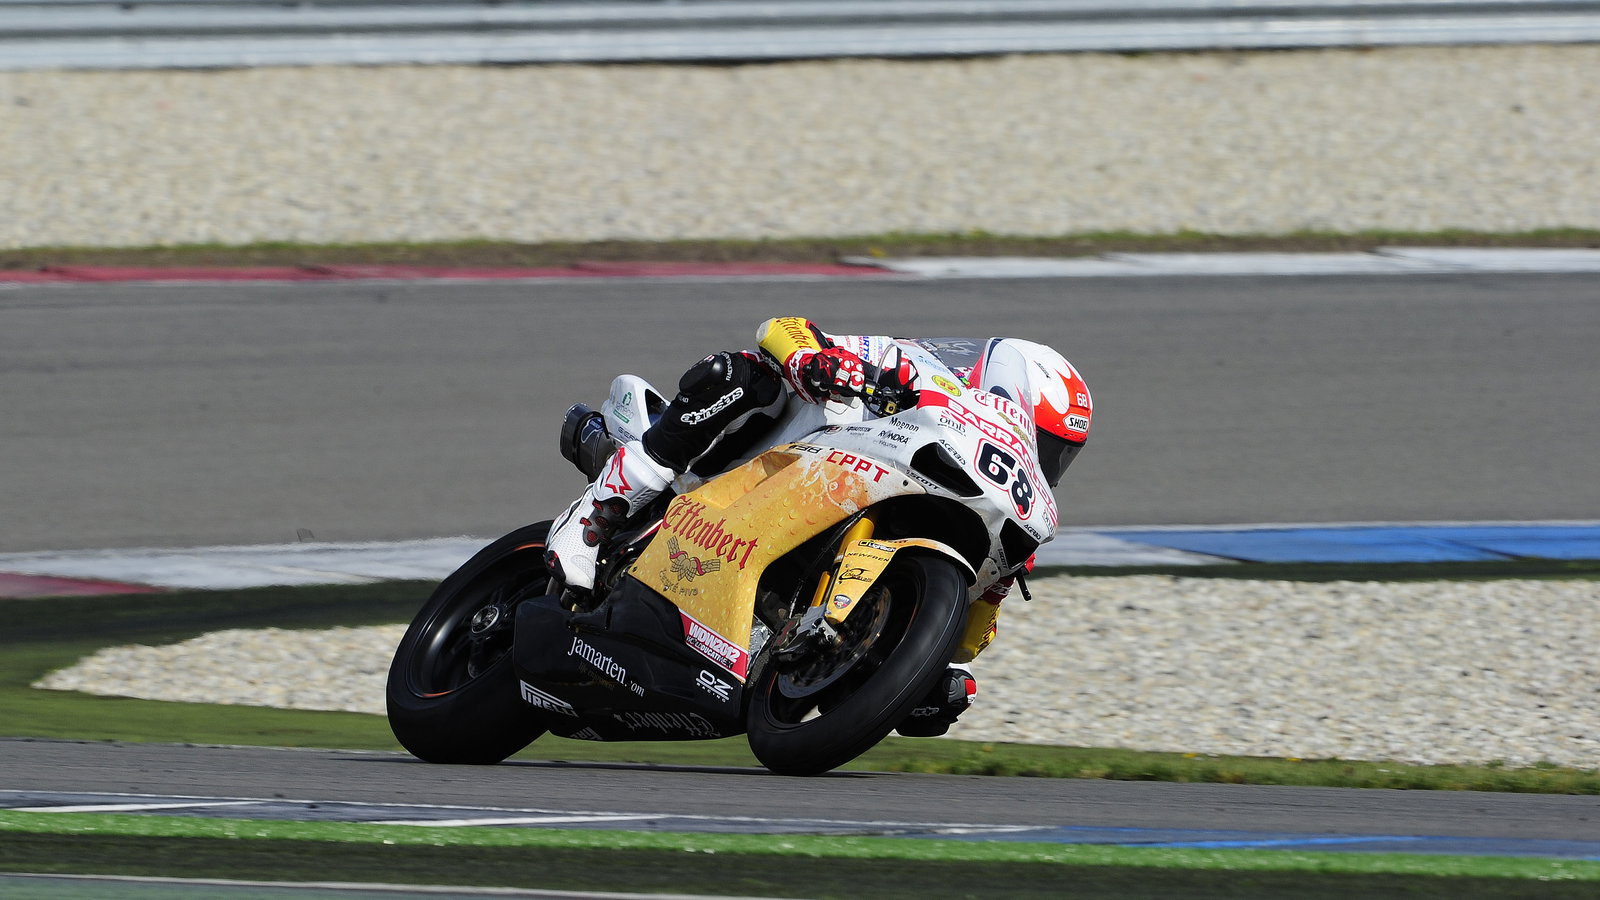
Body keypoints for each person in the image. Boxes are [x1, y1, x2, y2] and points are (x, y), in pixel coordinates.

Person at [545, 316, 1092, 735]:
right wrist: (814, 362)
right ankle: (597, 513)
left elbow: (967, 641)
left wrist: (921, 676)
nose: (1043, 460)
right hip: (742, 467)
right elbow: (782, 328)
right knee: (738, 374)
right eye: (1047, 442)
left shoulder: (1002, 517)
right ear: (1007, 393)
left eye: (1058, 455)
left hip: (812, 534)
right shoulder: (919, 368)